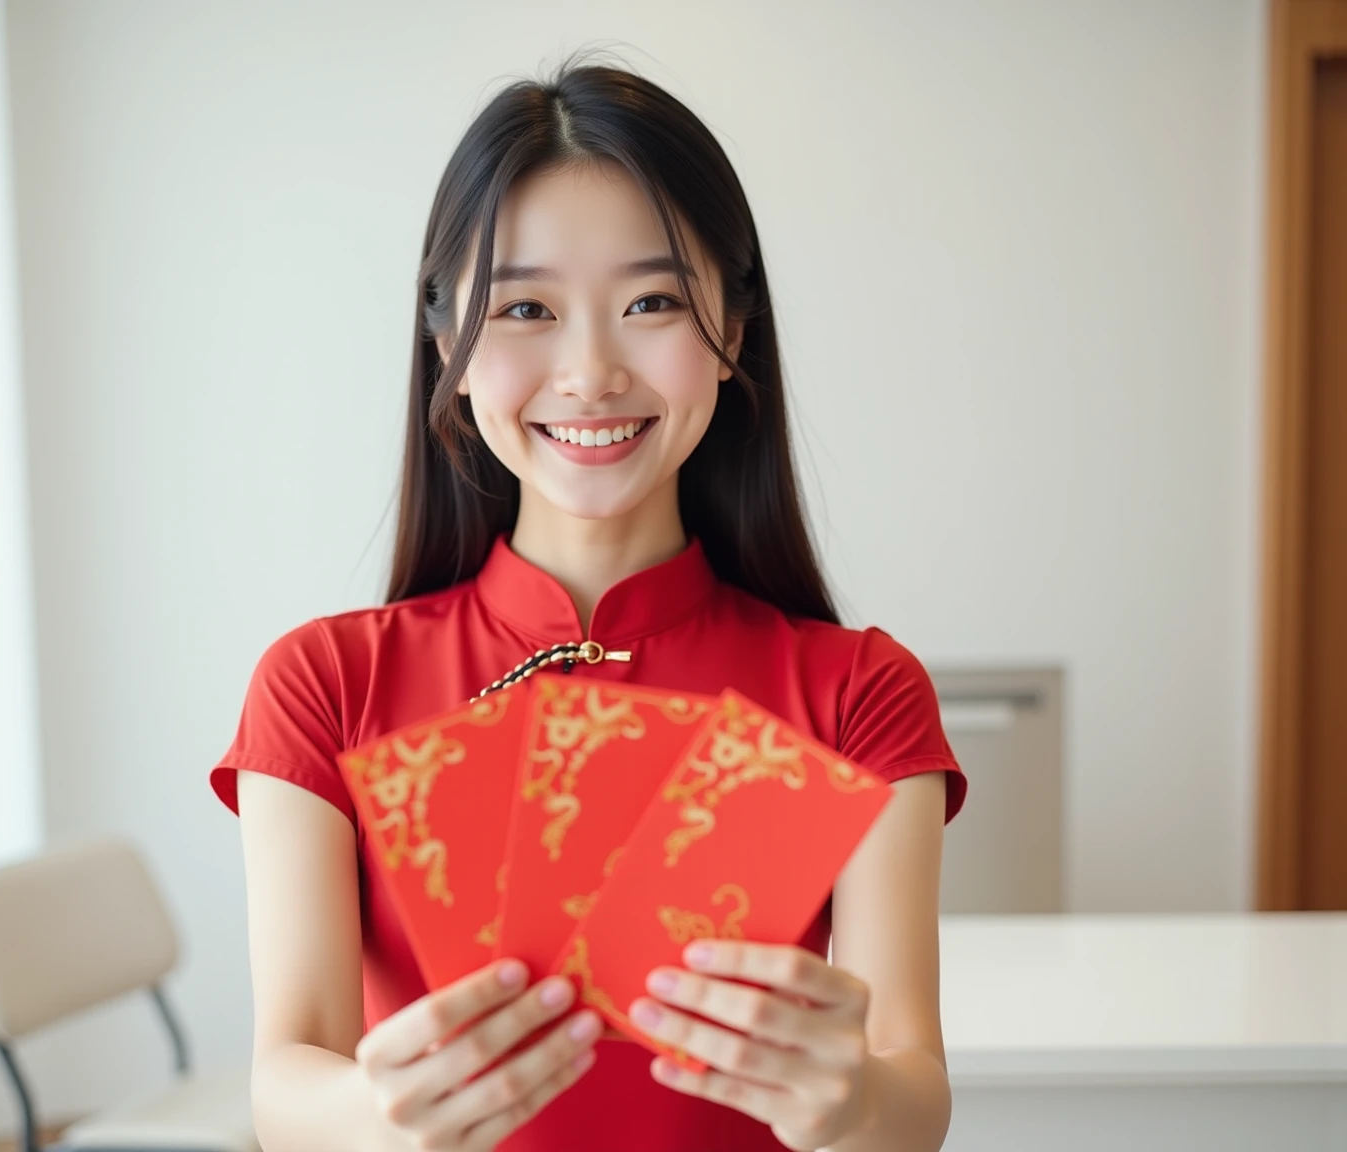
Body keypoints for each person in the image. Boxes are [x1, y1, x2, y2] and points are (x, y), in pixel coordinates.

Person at [210, 53, 967, 1152]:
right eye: (525, 308)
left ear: (734, 329)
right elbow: (286, 1080)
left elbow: (914, 1092)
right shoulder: (327, 686)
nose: (590, 371)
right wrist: (381, 1115)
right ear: (448, 347)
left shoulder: (859, 695)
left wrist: (852, 1104)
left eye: (652, 300)